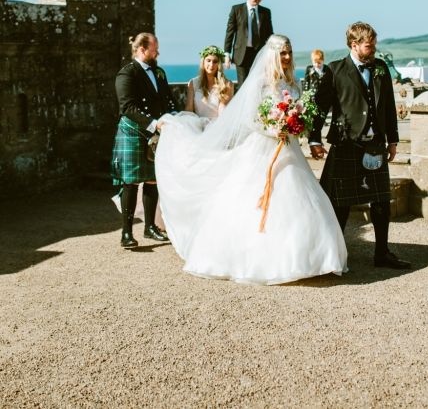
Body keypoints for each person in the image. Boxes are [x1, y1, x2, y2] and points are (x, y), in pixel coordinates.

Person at [154, 35, 347, 285]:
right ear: (272, 56)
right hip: (261, 147)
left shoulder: (293, 82)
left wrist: (296, 126)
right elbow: (248, 119)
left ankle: (313, 257)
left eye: (289, 52)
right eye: (283, 53)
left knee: (300, 197)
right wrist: (272, 129)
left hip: (288, 149)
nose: (288, 57)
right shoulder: (260, 84)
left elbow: (300, 112)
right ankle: (259, 258)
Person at [309, 21, 410, 270]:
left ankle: (382, 253)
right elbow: (320, 107)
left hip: (375, 143)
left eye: (374, 43)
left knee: (380, 201)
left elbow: (387, 104)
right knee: (341, 202)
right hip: (346, 144)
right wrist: (313, 138)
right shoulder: (335, 70)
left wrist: (392, 139)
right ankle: (336, 254)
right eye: (369, 45)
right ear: (354, 45)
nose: (374, 48)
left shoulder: (381, 69)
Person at [111, 33, 178, 248]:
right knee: (130, 182)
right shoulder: (127, 73)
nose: (157, 52)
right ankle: (126, 233)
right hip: (132, 131)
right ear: (142, 49)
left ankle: (150, 227)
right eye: (154, 49)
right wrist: (153, 123)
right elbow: (127, 107)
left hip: (153, 133)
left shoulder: (158, 72)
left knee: (152, 179)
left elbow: (168, 99)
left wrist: (175, 117)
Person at [223, 0, 273, 86]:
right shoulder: (236, 10)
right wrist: (227, 53)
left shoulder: (266, 12)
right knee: (243, 85)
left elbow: (270, 34)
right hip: (241, 54)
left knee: (258, 84)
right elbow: (230, 32)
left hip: (259, 54)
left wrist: (273, 52)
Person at [186, 45, 234, 120]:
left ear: (219, 64)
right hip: (197, 125)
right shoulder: (193, 83)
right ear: (203, 62)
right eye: (208, 60)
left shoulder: (227, 84)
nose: (211, 65)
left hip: (217, 125)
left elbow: (223, 111)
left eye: (215, 61)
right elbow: (189, 110)